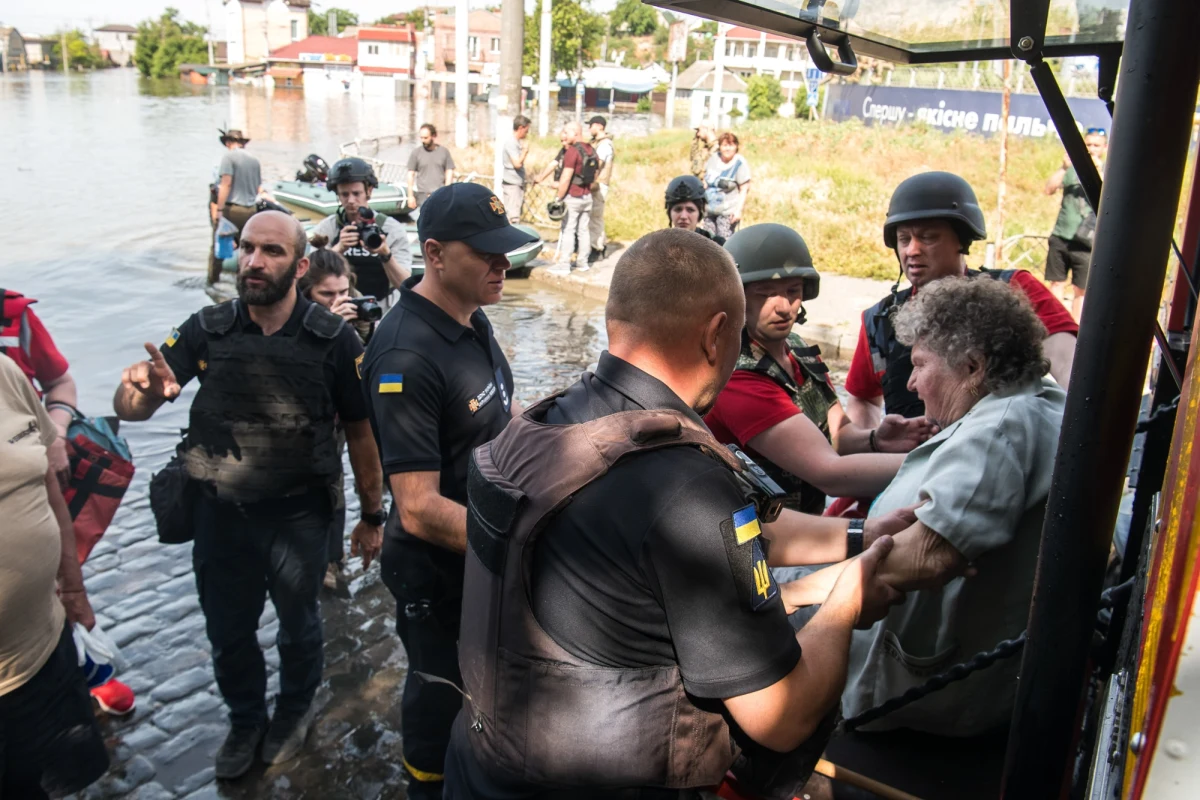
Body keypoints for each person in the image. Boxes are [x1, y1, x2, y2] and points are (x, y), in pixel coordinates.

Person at [445, 230, 919, 798]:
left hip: (479, 768)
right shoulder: (686, 487)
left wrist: (861, 536)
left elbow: (745, 530)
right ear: (718, 333)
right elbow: (781, 716)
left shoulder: (540, 428)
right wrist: (848, 602)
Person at [113, 210, 386, 780]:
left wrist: (371, 515)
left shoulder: (332, 339)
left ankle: (292, 711)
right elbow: (137, 406)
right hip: (220, 515)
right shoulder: (205, 327)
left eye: (272, 252)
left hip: (299, 517)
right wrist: (136, 392)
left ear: (300, 264)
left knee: (299, 626)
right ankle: (244, 719)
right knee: (228, 630)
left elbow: (361, 433)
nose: (255, 261)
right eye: (247, 248)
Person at [783, 278, 1065, 796]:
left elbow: (927, 558)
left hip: (917, 712)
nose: (910, 386)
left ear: (974, 368)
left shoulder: (997, 432)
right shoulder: (1030, 402)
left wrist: (791, 594)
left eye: (919, 365)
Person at [360, 183, 538, 800]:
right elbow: (416, 509)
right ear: (433, 254)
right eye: (486, 253)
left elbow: (501, 418)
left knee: (490, 686)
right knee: (441, 690)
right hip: (438, 571)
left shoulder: (472, 316)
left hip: (485, 555)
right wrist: (529, 544)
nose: (503, 264)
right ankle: (426, 786)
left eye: (506, 251)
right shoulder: (406, 354)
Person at [706, 224, 933, 516]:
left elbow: (838, 434)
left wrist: (876, 439)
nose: (784, 307)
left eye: (793, 291)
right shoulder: (739, 376)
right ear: (738, 299)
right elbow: (830, 474)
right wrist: (940, 462)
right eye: (766, 293)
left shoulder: (797, 349)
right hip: (747, 537)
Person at [844, 171, 1078, 430]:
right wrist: (873, 444)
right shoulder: (879, 321)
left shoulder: (1013, 290)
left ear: (962, 239)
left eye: (928, 237)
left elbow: (1072, 368)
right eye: (904, 239)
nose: (912, 250)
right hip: (910, 464)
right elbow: (863, 399)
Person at [1, 288, 137, 715]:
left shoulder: (13, 317)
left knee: (62, 560)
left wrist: (55, 435)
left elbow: (58, 381)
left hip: (36, 475)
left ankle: (82, 659)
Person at [0, 352, 109, 798]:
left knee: (48, 782)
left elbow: (47, 484)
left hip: (42, 650)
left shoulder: (5, 373)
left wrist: (75, 588)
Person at [298, 244, 373, 590]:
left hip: (344, 419)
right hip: (304, 421)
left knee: (335, 484)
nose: (338, 299)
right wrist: (328, 328)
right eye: (326, 294)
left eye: (344, 292)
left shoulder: (352, 310)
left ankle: (333, 558)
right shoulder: (293, 319)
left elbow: (369, 368)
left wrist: (361, 331)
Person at [310, 157, 412, 311]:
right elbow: (309, 277)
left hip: (381, 306)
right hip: (339, 306)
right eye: (344, 194)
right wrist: (338, 249)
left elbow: (405, 285)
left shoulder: (391, 229)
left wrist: (385, 254)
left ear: (369, 191)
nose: (351, 200)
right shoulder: (328, 228)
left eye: (356, 193)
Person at [1044, 128, 1107, 321]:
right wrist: (1064, 168)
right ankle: (1053, 322)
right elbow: (1048, 189)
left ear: (1104, 148)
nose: (1091, 149)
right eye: (1088, 145)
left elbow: (1110, 199)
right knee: (1056, 283)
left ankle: (1075, 327)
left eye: (1096, 145)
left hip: (1086, 240)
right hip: (1062, 234)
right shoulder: (1071, 169)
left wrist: (1098, 172)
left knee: (1080, 289)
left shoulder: (1108, 171)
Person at [210, 129, 269, 283]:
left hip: (232, 210)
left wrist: (220, 210)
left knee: (218, 247)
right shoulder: (254, 160)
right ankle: (242, 282)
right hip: (251, 211)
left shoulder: (229, 157)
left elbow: (226, 184)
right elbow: (258, 188)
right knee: (246, 249)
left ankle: (212, 282)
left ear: (228, 143)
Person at [549, 121, 598, 276]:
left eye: (566, 132)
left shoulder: (572, 151)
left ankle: (564, 264)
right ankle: (583, 263)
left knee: (568, 229)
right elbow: (595, 175)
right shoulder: (591, 150)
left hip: (573, 196)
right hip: (587, 196)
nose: (564, 135)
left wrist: (559, 197)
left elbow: (565, 177)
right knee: (583, 230)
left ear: (575, 133)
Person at [702, 131, 752, 241]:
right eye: (724, 145)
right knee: (707, 243)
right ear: (720, 147)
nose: (727, 149)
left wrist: (738, 211)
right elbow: (705, 180)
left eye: (731, 145)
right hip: (708, 210)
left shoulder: (739, 163)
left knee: (724, 244)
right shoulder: (714, 158)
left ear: (736, 146)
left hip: (727, 213)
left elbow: (744, 189)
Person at [664, 174, 726, 245]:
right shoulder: (658, 246)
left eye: (690, 210)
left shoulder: (716, 245)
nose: (683, 216)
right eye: (678, 209)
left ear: (700, 213)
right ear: (670, 213)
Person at [406, 124, 456, 210]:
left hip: (440, 194)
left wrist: (447, 191)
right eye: (421, 138)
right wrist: (410, 196)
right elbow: (410, 174)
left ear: (433, 136)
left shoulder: (443, 152)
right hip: (422, 195)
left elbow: (449, 171)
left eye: (426, 138)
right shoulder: (416, 153)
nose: (423, 140)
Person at [586, 114, 615, 264]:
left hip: (599, 185)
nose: (589, 129)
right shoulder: (598, 143)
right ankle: (597, 245)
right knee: (593, 217)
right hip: (595, 184)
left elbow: (598, 165)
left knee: (595, 217)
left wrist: (590, 180)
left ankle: (597, 248)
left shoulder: (605, 144)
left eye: (591, 125)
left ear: (599, 126)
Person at [501, 115, 532, 224]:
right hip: (512, 184)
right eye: (526, 130)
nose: (527, 134)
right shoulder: (511, 143)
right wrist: (525, 152)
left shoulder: (516, 142)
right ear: (520, 128)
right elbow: (517, 163)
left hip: (516, 183)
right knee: (513, 217)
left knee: (515, 213)